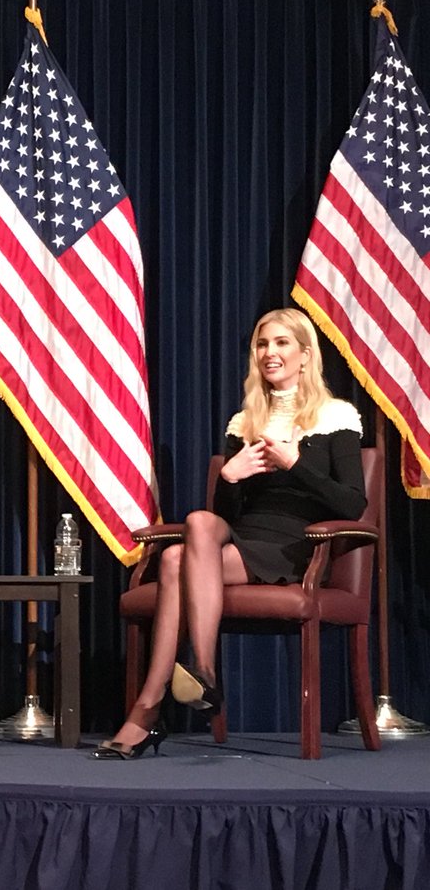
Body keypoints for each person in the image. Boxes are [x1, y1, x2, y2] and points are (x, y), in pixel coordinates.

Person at [93, 307, 366, 760]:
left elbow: (353, 503)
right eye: (262, 344)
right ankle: (203, 673)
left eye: (281, 343)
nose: (269, 352)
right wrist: (230, 477)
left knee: (175, 560)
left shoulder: (336, 416)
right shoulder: (244, 422)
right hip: (241, 540)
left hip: (295, 545)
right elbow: (226, 517)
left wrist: (296, 464)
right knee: (197, 526)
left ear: (305, 354)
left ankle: (148, 710)